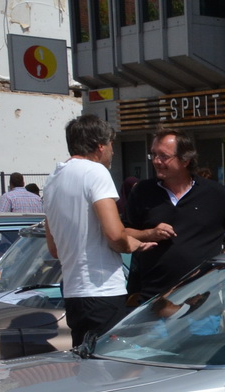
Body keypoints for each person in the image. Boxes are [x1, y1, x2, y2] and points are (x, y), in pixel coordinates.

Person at [42, 114, 158, 347]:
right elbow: (115, 234)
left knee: (86, 368)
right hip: (102, 291)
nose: (113, 152)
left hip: (74, 294)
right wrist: (131, 245)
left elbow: (54, 248)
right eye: (111, 145)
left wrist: (142, 234)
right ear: (99, 146)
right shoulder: (96, 172)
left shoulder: (52, 180)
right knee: (110, 367)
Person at [124, 130, 225, 301]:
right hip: (153, 299)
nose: (157, 161)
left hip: (202, 301)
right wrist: (148, 234)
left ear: (185, 160)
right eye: (153, 155)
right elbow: (122, 233)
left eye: (164, 156)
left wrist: (223, 261)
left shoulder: (214, 193)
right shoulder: (142, 191)